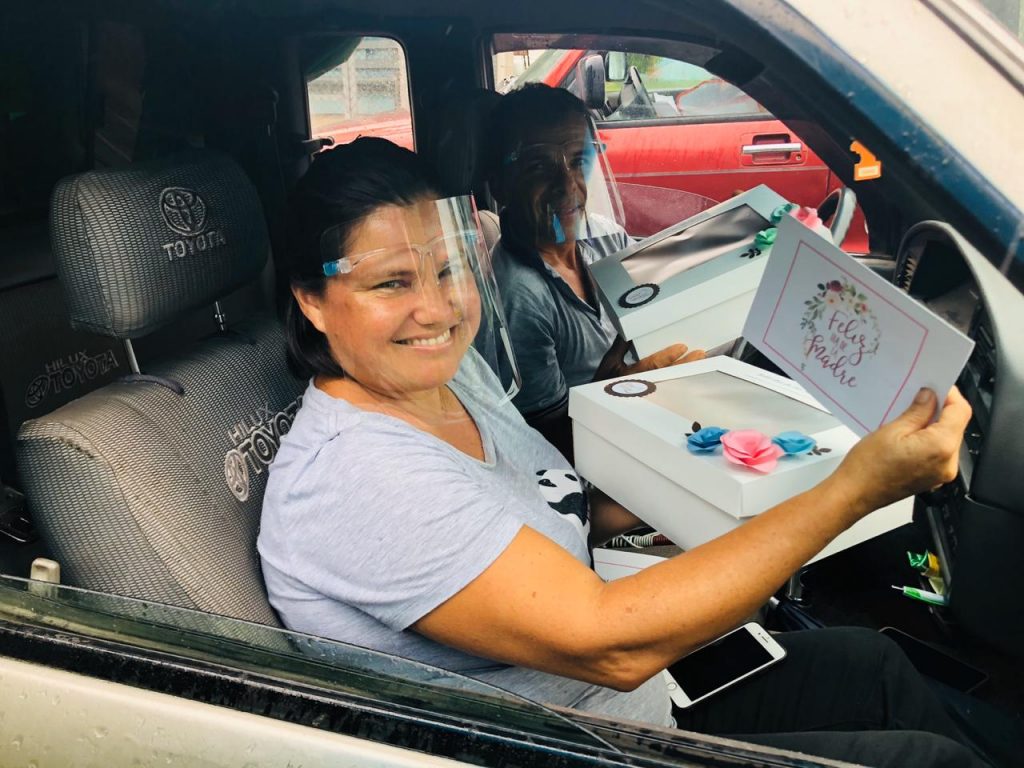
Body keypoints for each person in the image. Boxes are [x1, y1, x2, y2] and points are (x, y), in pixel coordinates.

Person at [258, 137, 988, 768]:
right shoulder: (358, 476)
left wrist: (691, 448)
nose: (440, 310)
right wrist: (855, 489)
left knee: (874, 665)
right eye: (392, 283)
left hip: (636, 707)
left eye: (448, 270)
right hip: (578, 742)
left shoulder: (447, 374)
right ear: (312, 301)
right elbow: (610, 643)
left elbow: (554, 510)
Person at [485, 84, 704, 460]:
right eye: (539, 167)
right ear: (502, 183)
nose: (567, 186)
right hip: (605, 456)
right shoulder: (519, 296)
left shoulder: (606, 237)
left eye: (577, 161)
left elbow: (657, 306)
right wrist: (609, 392)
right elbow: (547, 446)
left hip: (652, 414)